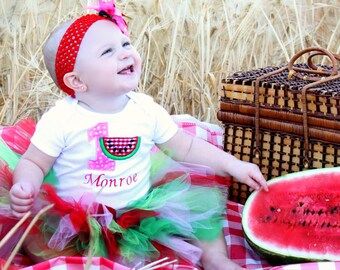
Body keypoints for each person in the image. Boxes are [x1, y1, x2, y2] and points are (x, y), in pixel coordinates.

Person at [4, 1, 268, 269]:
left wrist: (233, 164)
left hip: (138, 213)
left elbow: (186, 148)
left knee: (201, 202)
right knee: (41, 244)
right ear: (77, 81)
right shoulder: (61, 119)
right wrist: (25, 185)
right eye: (108, 51)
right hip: (74, 221)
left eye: (125, 44)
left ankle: (214, 258)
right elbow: (35, 162)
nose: (125, 54)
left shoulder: (145, 110)